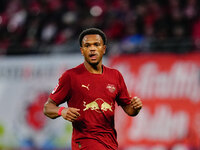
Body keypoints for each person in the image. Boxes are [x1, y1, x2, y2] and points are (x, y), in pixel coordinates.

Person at [43, 28, 143, 150]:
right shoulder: (70, 76)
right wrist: (61, 111)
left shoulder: (115, 76)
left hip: (110, 143)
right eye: (87, 45)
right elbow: (47, 108)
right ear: (82, 50)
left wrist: (135, 107)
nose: (92, 48)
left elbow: (129, 110)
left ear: (104, 49)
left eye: (96, 44)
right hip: (85, 143)